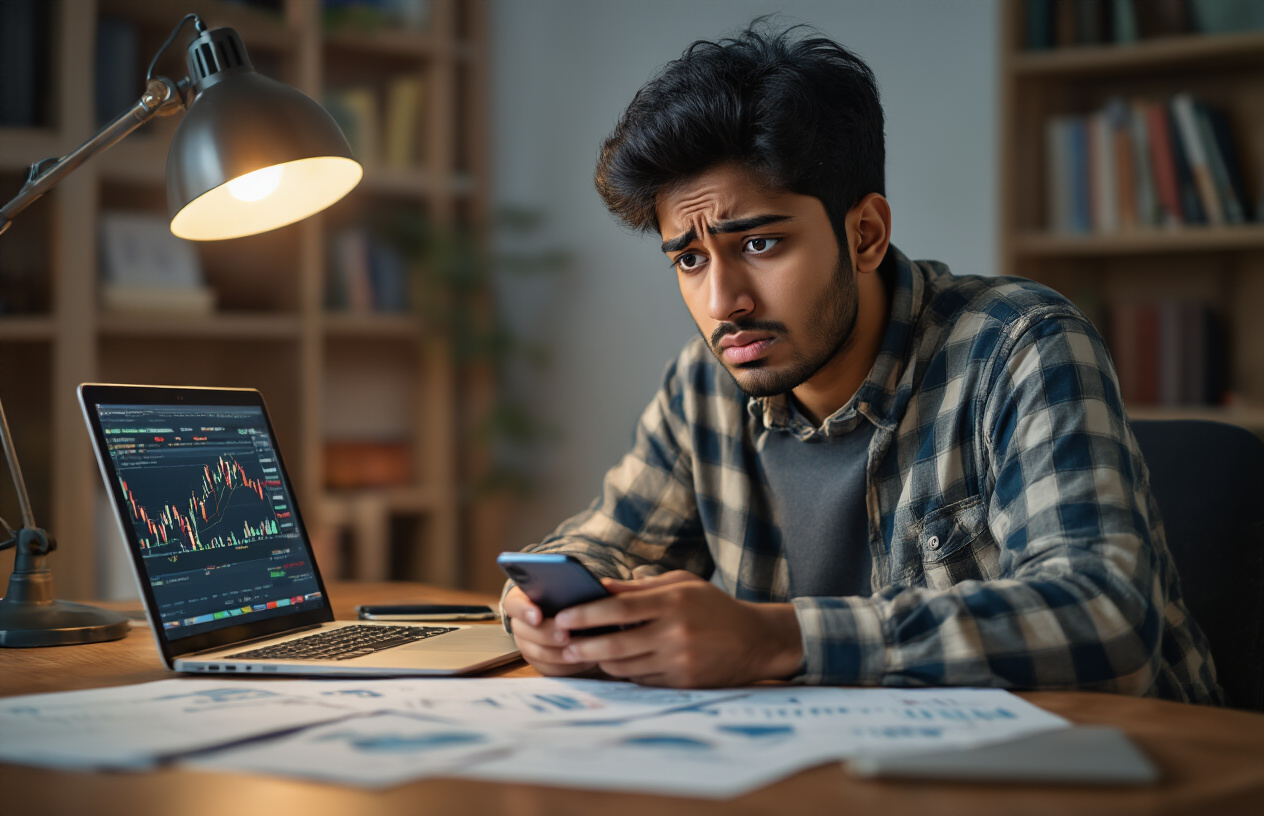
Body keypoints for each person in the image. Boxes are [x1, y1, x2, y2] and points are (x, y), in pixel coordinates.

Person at [500, 21, 1222, 704]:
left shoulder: (1019, 345)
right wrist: (541, 605)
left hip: (1114, 772)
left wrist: (775, 637)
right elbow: (601, 541)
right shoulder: (703, 385)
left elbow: (1107, 619)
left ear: (866, 234)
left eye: (759, 244)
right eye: (689, 258)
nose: (723, 301)